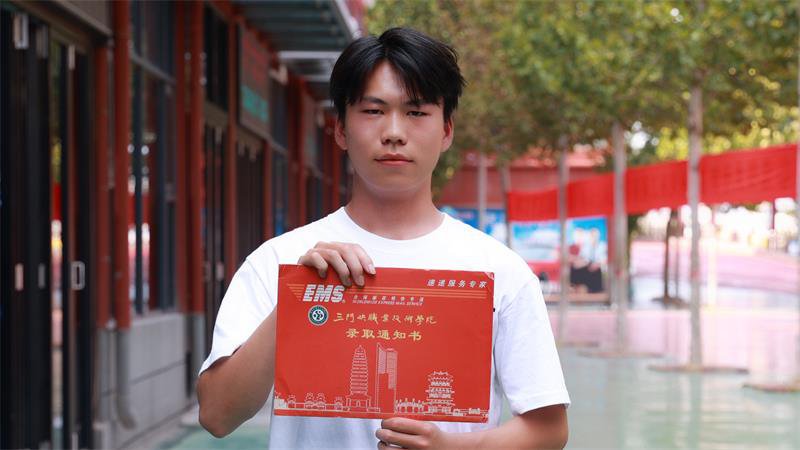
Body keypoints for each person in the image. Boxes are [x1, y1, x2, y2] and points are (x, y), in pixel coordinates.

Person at [197, 27, 570, 449]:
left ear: (446, 131)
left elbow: (548, 429)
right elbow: (217, 414)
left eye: (416, 112)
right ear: (341, 130)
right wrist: (298, 298)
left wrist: (450, 447)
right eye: (373, 111)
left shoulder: (499, 270)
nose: (394, 132)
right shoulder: (281, 260)